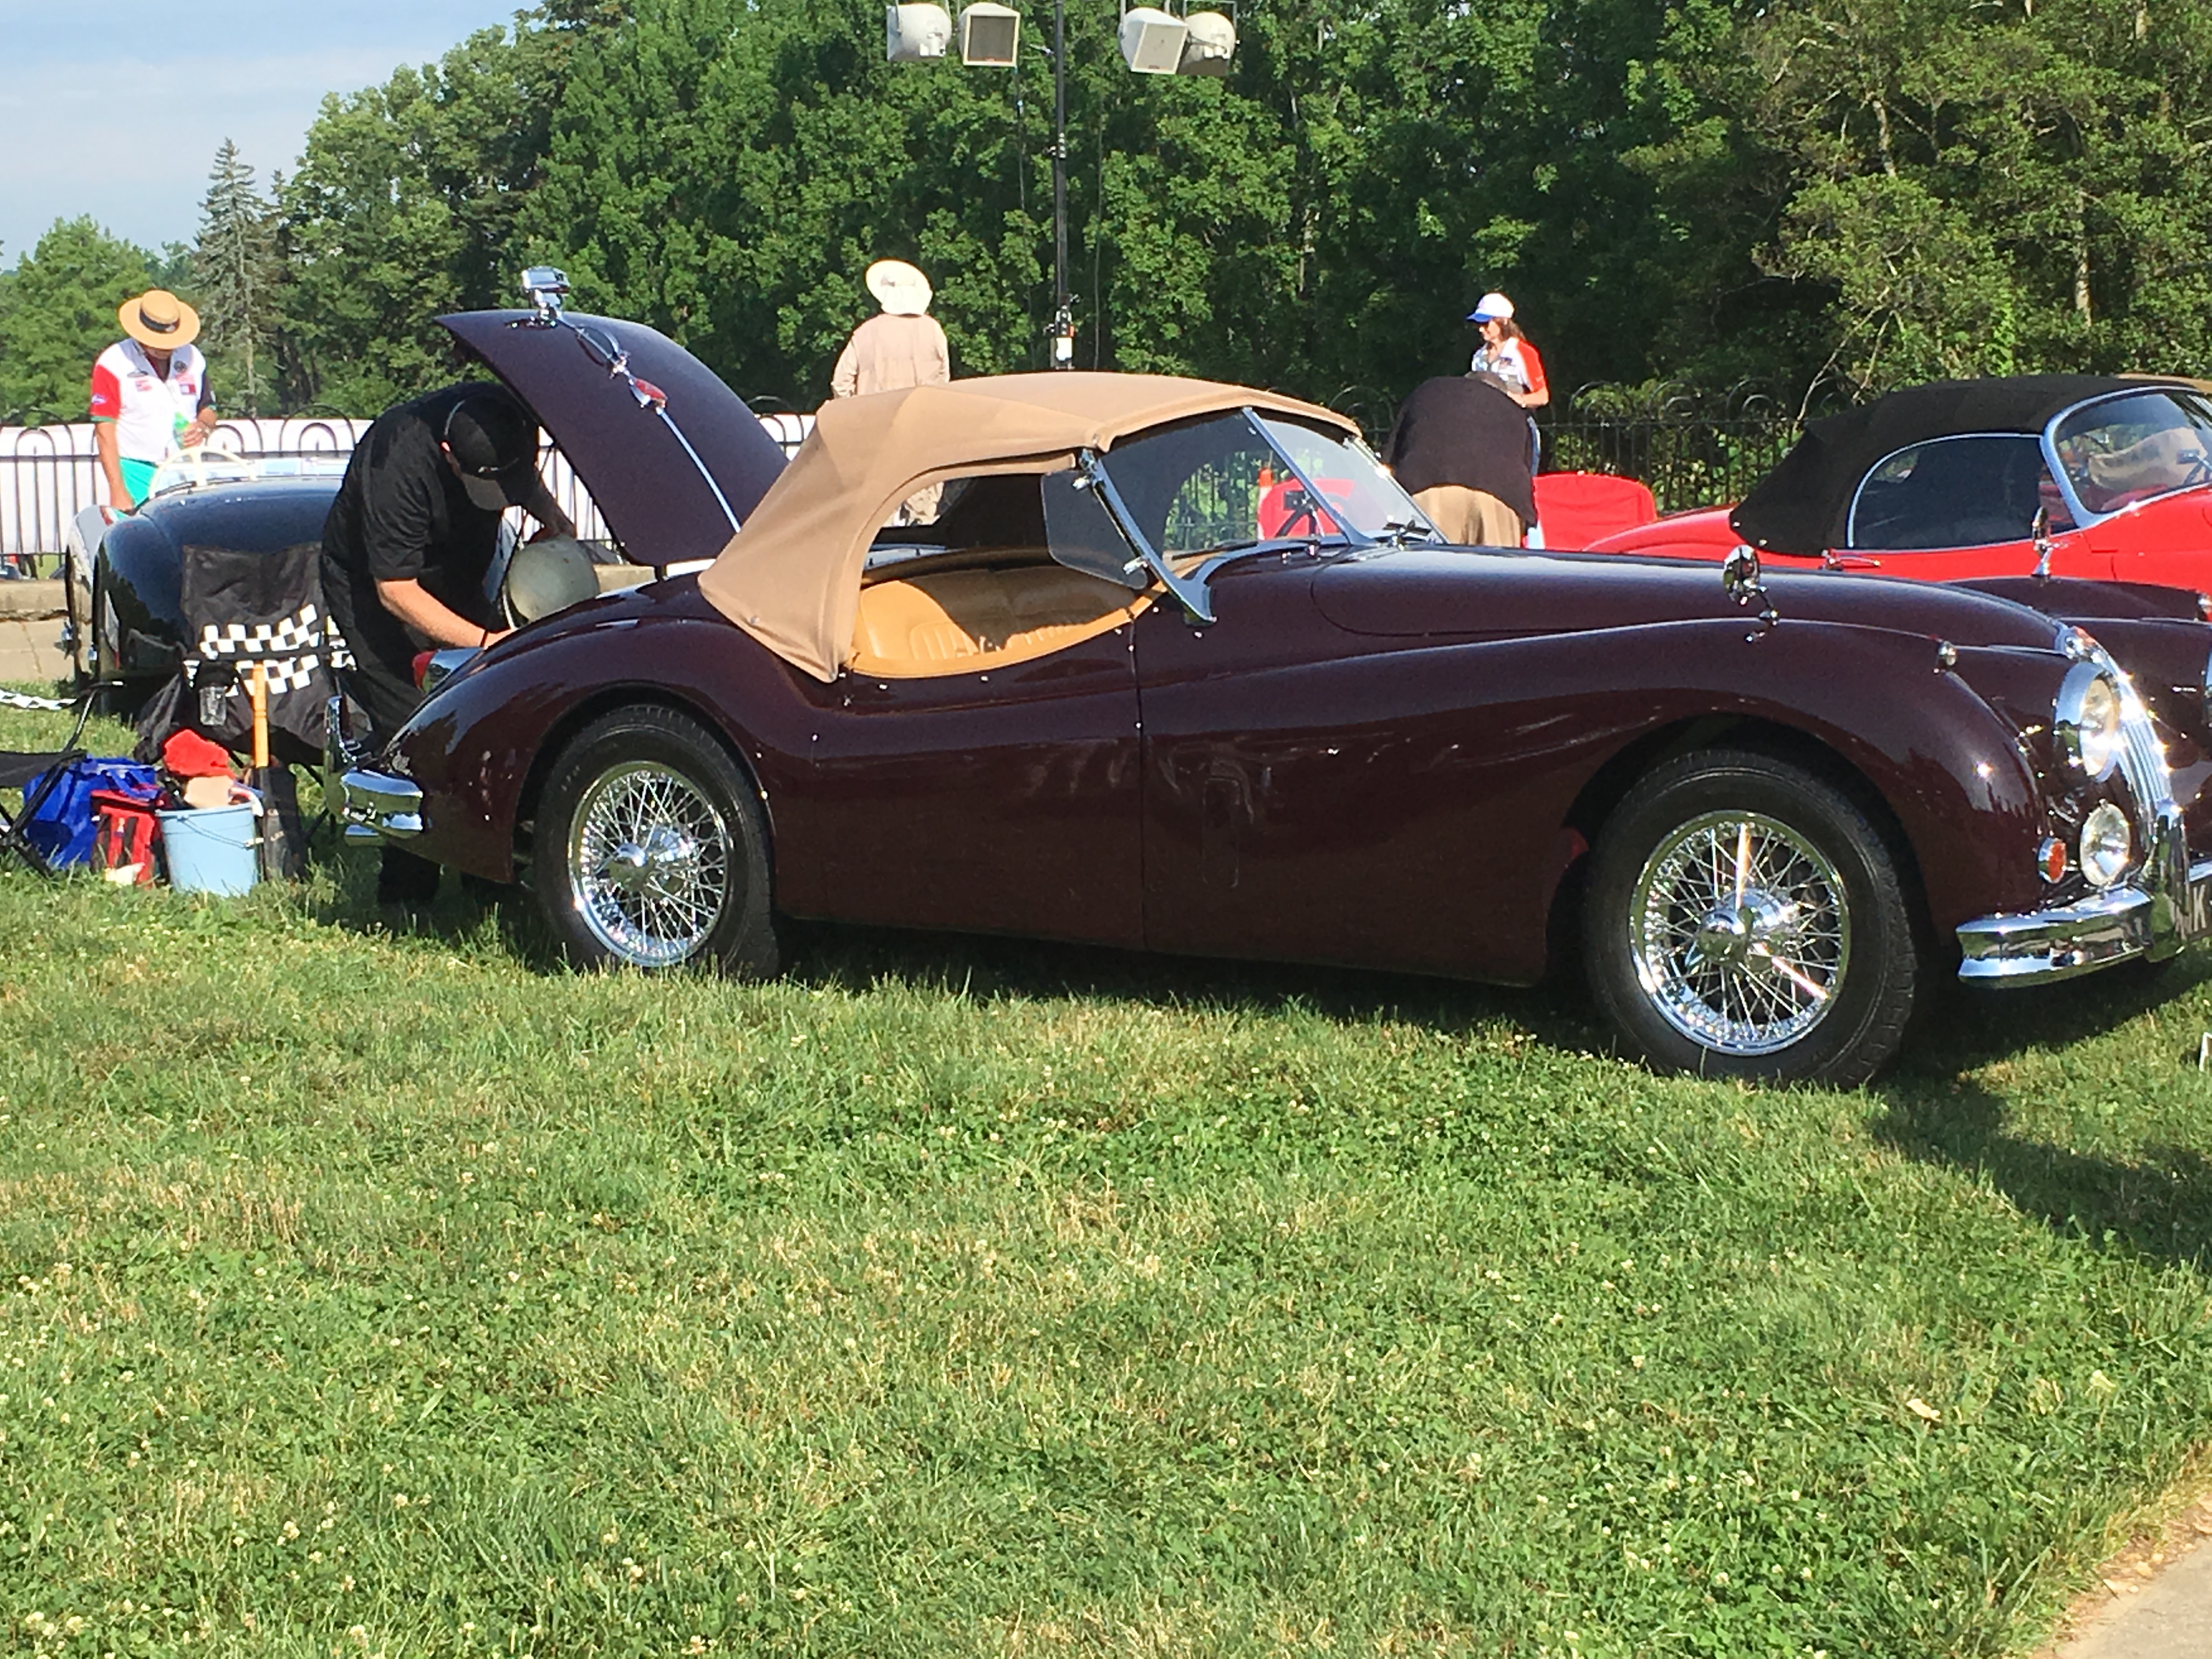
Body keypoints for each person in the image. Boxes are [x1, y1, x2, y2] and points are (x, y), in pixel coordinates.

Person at [318, 382, 574, 902]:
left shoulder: (508, 416)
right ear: (447, 455)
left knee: (486, 710)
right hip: (376, 587)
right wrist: (486, 642)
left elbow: (520, 479)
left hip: (457, 570)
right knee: (414, 724)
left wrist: (552, 519)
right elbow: (394, 591)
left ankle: (489, 878)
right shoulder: (396, 459)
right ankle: (407, 892)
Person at [832, 259, 953, 524]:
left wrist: (854, 416)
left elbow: (841, 382)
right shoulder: (934, 331)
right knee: (924, 513)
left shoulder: (866, 333)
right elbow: (944, 382)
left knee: (878, 513)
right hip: (922, 430)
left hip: (875, 430)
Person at [90, 288, 218, 511]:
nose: (165, 347)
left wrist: (203, 426)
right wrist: (118, 490)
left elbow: (208, 407)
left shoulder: (193, 357)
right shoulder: (113, 363)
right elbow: (104, 429)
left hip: (187, 468)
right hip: (137, 471)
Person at [1381, 371, 1538, 546]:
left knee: (1426, 570)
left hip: (1426, 487)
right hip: (1500, 496)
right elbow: (1528, 470)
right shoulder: (1515, 413)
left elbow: (1388, 464)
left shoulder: (1429, 392)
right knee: (1495, 570)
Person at [1465, 292, 1548, 410]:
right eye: (1478, 324)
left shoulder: (1523, 352)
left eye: (1485, 323)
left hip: (1516, 420)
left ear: (1503, 321)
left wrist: (1518, 399)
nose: (1481, 329)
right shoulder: (1478, 356)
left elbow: (1543, 397)